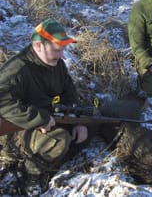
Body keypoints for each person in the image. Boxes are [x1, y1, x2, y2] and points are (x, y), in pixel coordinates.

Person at [0, 18, 89, 196]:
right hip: (12, 131)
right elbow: (2, 102)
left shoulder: (57, 65)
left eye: (63, 49)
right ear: (38, 45)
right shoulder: (18, 69)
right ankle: (29, 174)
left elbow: (69, 92)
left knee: (86, 132)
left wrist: (77, 121)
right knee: (59, 140)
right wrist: (38, 119)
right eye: (57, 49)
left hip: (43, 121)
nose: (62, 55)